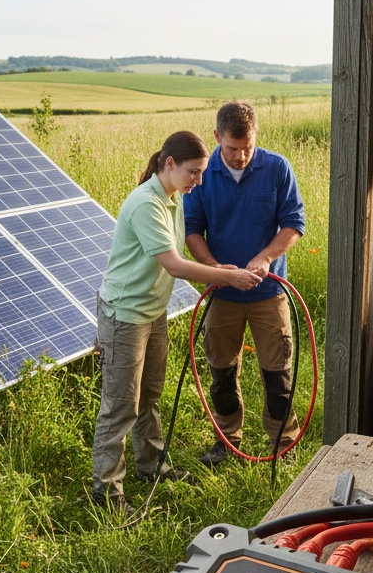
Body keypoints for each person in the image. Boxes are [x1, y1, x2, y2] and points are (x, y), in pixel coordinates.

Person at [91, 130, 261, 510]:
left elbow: (178, 251)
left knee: (149, 396)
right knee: (121, 404)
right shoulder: (145, 204)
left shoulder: (172, 198)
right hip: (126, 316)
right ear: (169, 164)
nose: (198, 180)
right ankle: (107, 491)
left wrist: (217, 267)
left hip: (152, 312)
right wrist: (227, 277)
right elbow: (174, 264)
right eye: (194, 172)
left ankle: (151, 465)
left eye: (202, 172)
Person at [184, 101, 305, 465]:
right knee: (221, 372)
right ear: (217, 136)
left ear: (256, 137)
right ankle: (226, 441)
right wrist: (217, 269)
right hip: (222, 293)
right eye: (232, 148)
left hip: (269, 292)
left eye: (247, 147)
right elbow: (191, 230)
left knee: (278, 374)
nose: (240, 156)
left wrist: (265, 258)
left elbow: (294, 222)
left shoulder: (277, 167)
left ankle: (282, 444)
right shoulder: (203, 175)